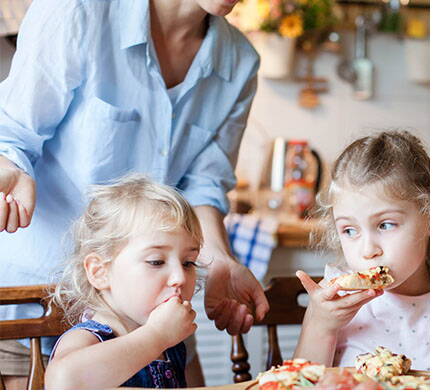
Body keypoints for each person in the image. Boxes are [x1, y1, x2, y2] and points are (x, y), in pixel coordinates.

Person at [0, 0, 269, 387]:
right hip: (35, 302)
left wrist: (220, 260)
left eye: (189, 264)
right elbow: (12, 135)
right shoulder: (78, 11)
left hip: (148, 306)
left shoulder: (239, 61)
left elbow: (204, 185)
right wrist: (9, 167)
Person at [293, 131, 430, 371]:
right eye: (349, 230)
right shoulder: (334, 298)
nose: (368, 250)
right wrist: (321, 325)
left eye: (385, 225)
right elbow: (301, 381)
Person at [45, 175, 201, 388]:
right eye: (156, 262)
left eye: (188, 263)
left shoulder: (171, 343)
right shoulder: (88, 338)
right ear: (100, 272)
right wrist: (157, 335)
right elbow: (64, 381)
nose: (180, 277)